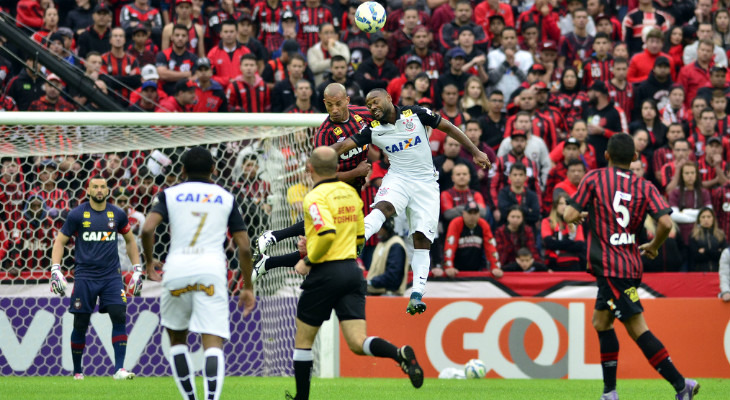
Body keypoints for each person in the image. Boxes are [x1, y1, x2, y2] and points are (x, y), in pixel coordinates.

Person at [563, 133, 699, 400]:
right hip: (629, 266)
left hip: (612, 269)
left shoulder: (595, 178)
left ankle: (682, 385)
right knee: (601, 322)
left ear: (607, 156)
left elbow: (567, 215)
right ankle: (610, 392)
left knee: (638, 329)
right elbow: (666, 223)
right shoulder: (645, 186)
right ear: (635, 158)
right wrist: (655, 246)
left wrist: (580, 213)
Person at [332, 88, 491, 314]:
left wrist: (475, 151)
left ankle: (417, 293)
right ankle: (358, 238)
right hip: (398, 178)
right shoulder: (372, 130)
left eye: (375, 101)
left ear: (388, 98)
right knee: (383, 207)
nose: (372, 107)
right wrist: (320, 157)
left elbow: (448, 127)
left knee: (421, 239)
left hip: (426, 184)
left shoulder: (415, 114)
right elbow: (342, 146)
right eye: (368, 105)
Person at [287, 147, 423, 400]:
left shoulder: (315, 196)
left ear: (311, 169)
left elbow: (326, 233)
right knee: (357, 342)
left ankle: (301, 398)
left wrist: (308, 260)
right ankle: (398, 354)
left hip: (326, 270)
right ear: (337, 169)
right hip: (352, 270)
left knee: (303, 341)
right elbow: (360, 235)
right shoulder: (351, 195)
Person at [139, 147, 254, 400]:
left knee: (178, 341)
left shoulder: (170, 194)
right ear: (214, 169)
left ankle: (190, 398)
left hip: (177, 268)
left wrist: (149, 264)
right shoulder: (225, 197)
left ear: (182, 170)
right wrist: (248, 286)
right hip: (211, 271)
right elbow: (244, 246)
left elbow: (147, 229)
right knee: (213, 343)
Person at [252, 83, 371, 279]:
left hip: (354, 188)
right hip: (335, 189)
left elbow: (383, 118)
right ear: (324, 103)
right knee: (331, 245)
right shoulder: (324, 135)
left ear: (347, 101)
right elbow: (321, 175)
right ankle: (273, 241)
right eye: (329, 105)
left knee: (327, 249)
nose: (334, 110)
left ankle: (270, 255)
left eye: (338, 104)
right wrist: (356, 171)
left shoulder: (361, 114)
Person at [49, 177, 141, 380]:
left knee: (119, 315)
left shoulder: (117, 214)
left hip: (111, 276)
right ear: (88, 190)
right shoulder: (77, 214)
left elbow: (130, 240)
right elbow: (60, 241)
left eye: (102, 187)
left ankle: (119, 369)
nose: (99, 190)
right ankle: (77, 371)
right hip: (85, 277)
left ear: (107, 190)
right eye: (95, 187)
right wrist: (56, 269)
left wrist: (137, 269)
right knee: (80, 323)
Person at [438, 201, 500, 276]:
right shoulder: (456, 223)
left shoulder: (483, 224)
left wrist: (495, 267)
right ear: (464, 213)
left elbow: (490, 246)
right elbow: (450, 245)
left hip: (477, 269)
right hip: (456, 271)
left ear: (479, 214)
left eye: (475, 213)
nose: (472, 216)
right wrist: (449, 266)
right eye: (470, 213)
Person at [541, 193, 585, 271]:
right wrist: (570, 242)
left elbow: (580, 246)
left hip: (573, 264)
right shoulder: (547, 221)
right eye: (561, 204)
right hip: (554, 264)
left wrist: (558, 243)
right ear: (555, 206)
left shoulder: (577, 222)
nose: (564, 207)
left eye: (567, 204)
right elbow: (549, 243)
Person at [366, 217, 409, 295]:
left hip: (389, 295)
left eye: (379, 227)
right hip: (377, 293)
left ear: (387, 226)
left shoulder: (396, 245)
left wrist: (371, 282)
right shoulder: (381, 244)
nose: (377, 231)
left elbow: (393, 276)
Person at [688, 207, 726, 272]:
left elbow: (723, 255)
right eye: (703, 217)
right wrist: (715, 252)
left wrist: (705, 251)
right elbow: (695, 257)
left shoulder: (720, 235)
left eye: (709, 217)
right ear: (699, 219)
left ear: (713, 219)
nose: (706, 219)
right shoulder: (693, 236)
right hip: (700, 274)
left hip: (718, 272)